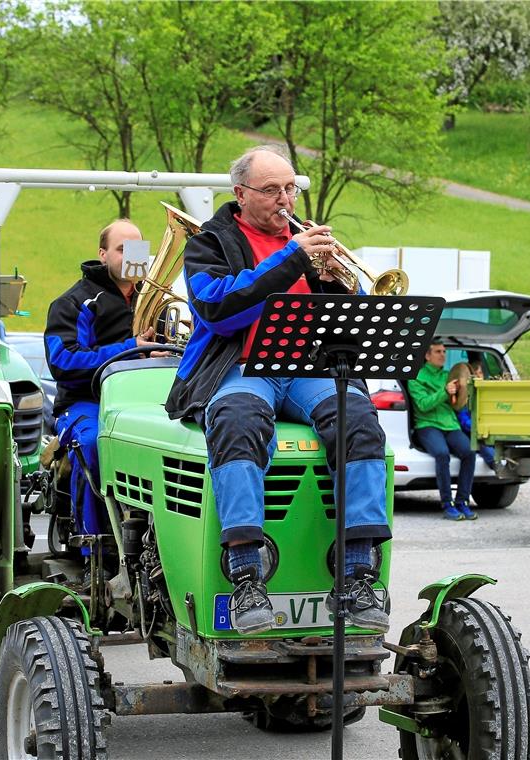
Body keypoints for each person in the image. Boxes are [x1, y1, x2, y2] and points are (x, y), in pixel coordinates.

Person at [164, 146, 391, 635]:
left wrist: (341, 288)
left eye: (291, 188)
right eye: (272, 190)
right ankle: (247, 575)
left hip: (307, 365)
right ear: (241, 194)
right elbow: (219, 309)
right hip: (241, 364)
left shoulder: (307, 243)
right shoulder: (210, 243)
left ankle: (356, 574)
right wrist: (293, 259)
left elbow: (343, 322)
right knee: (237, 422)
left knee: (360, 421)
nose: (285, 199)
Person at [45, 219, 161, 568]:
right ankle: (94, 550)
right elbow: (62, 360)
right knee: (96, 443)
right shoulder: (73, 302)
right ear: (102, 254)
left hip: (147, 401)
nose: (131, 256)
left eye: (138, 249)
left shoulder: (155, 299)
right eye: (122, 249)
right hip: (84, 404)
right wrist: (131, 348)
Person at [408, 342, 478, 521]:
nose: (443, 355)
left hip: (450, 425)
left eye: (445, 352)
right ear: (427, 356)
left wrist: (471, 384)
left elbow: (460, 402)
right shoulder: (416, 377)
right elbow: (423, 405)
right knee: (441, 454)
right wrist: (445, 392)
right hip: (427, 425)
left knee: (469, 453)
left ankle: (462, 501)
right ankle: (447, 504)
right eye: (438, 352)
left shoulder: (449, 375)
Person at [456, 361, 498, 471]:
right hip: (473, 432)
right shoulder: (464, 397)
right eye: (475, 373)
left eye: (481, 373)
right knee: (482, 443)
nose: (479, 376)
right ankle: (495, 463)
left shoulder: (488, 395)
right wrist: (479, 427)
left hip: (489, 430)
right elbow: (464, 421)